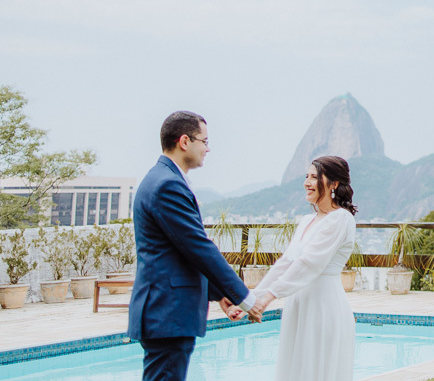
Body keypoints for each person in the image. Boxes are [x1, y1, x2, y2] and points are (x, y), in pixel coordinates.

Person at [128, 111, 260, 381]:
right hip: (167, 313)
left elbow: (181, 252)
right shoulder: (167, 185)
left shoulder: (162, 179)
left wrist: (221, 295)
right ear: (185, 141)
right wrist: (244, 297)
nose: (208, 148)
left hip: (165, 313)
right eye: (205, 141)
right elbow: (199, 247)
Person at [249, 155, 358, 381]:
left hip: (323, 308)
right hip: (298, 305)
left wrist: (268, 298)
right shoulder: (306, 221)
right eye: (306, 177)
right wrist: (252, 298)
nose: (307, 182)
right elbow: (287, 263)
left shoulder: (341, 219)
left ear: (333, 184)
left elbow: (309, 263)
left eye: (314, 177)